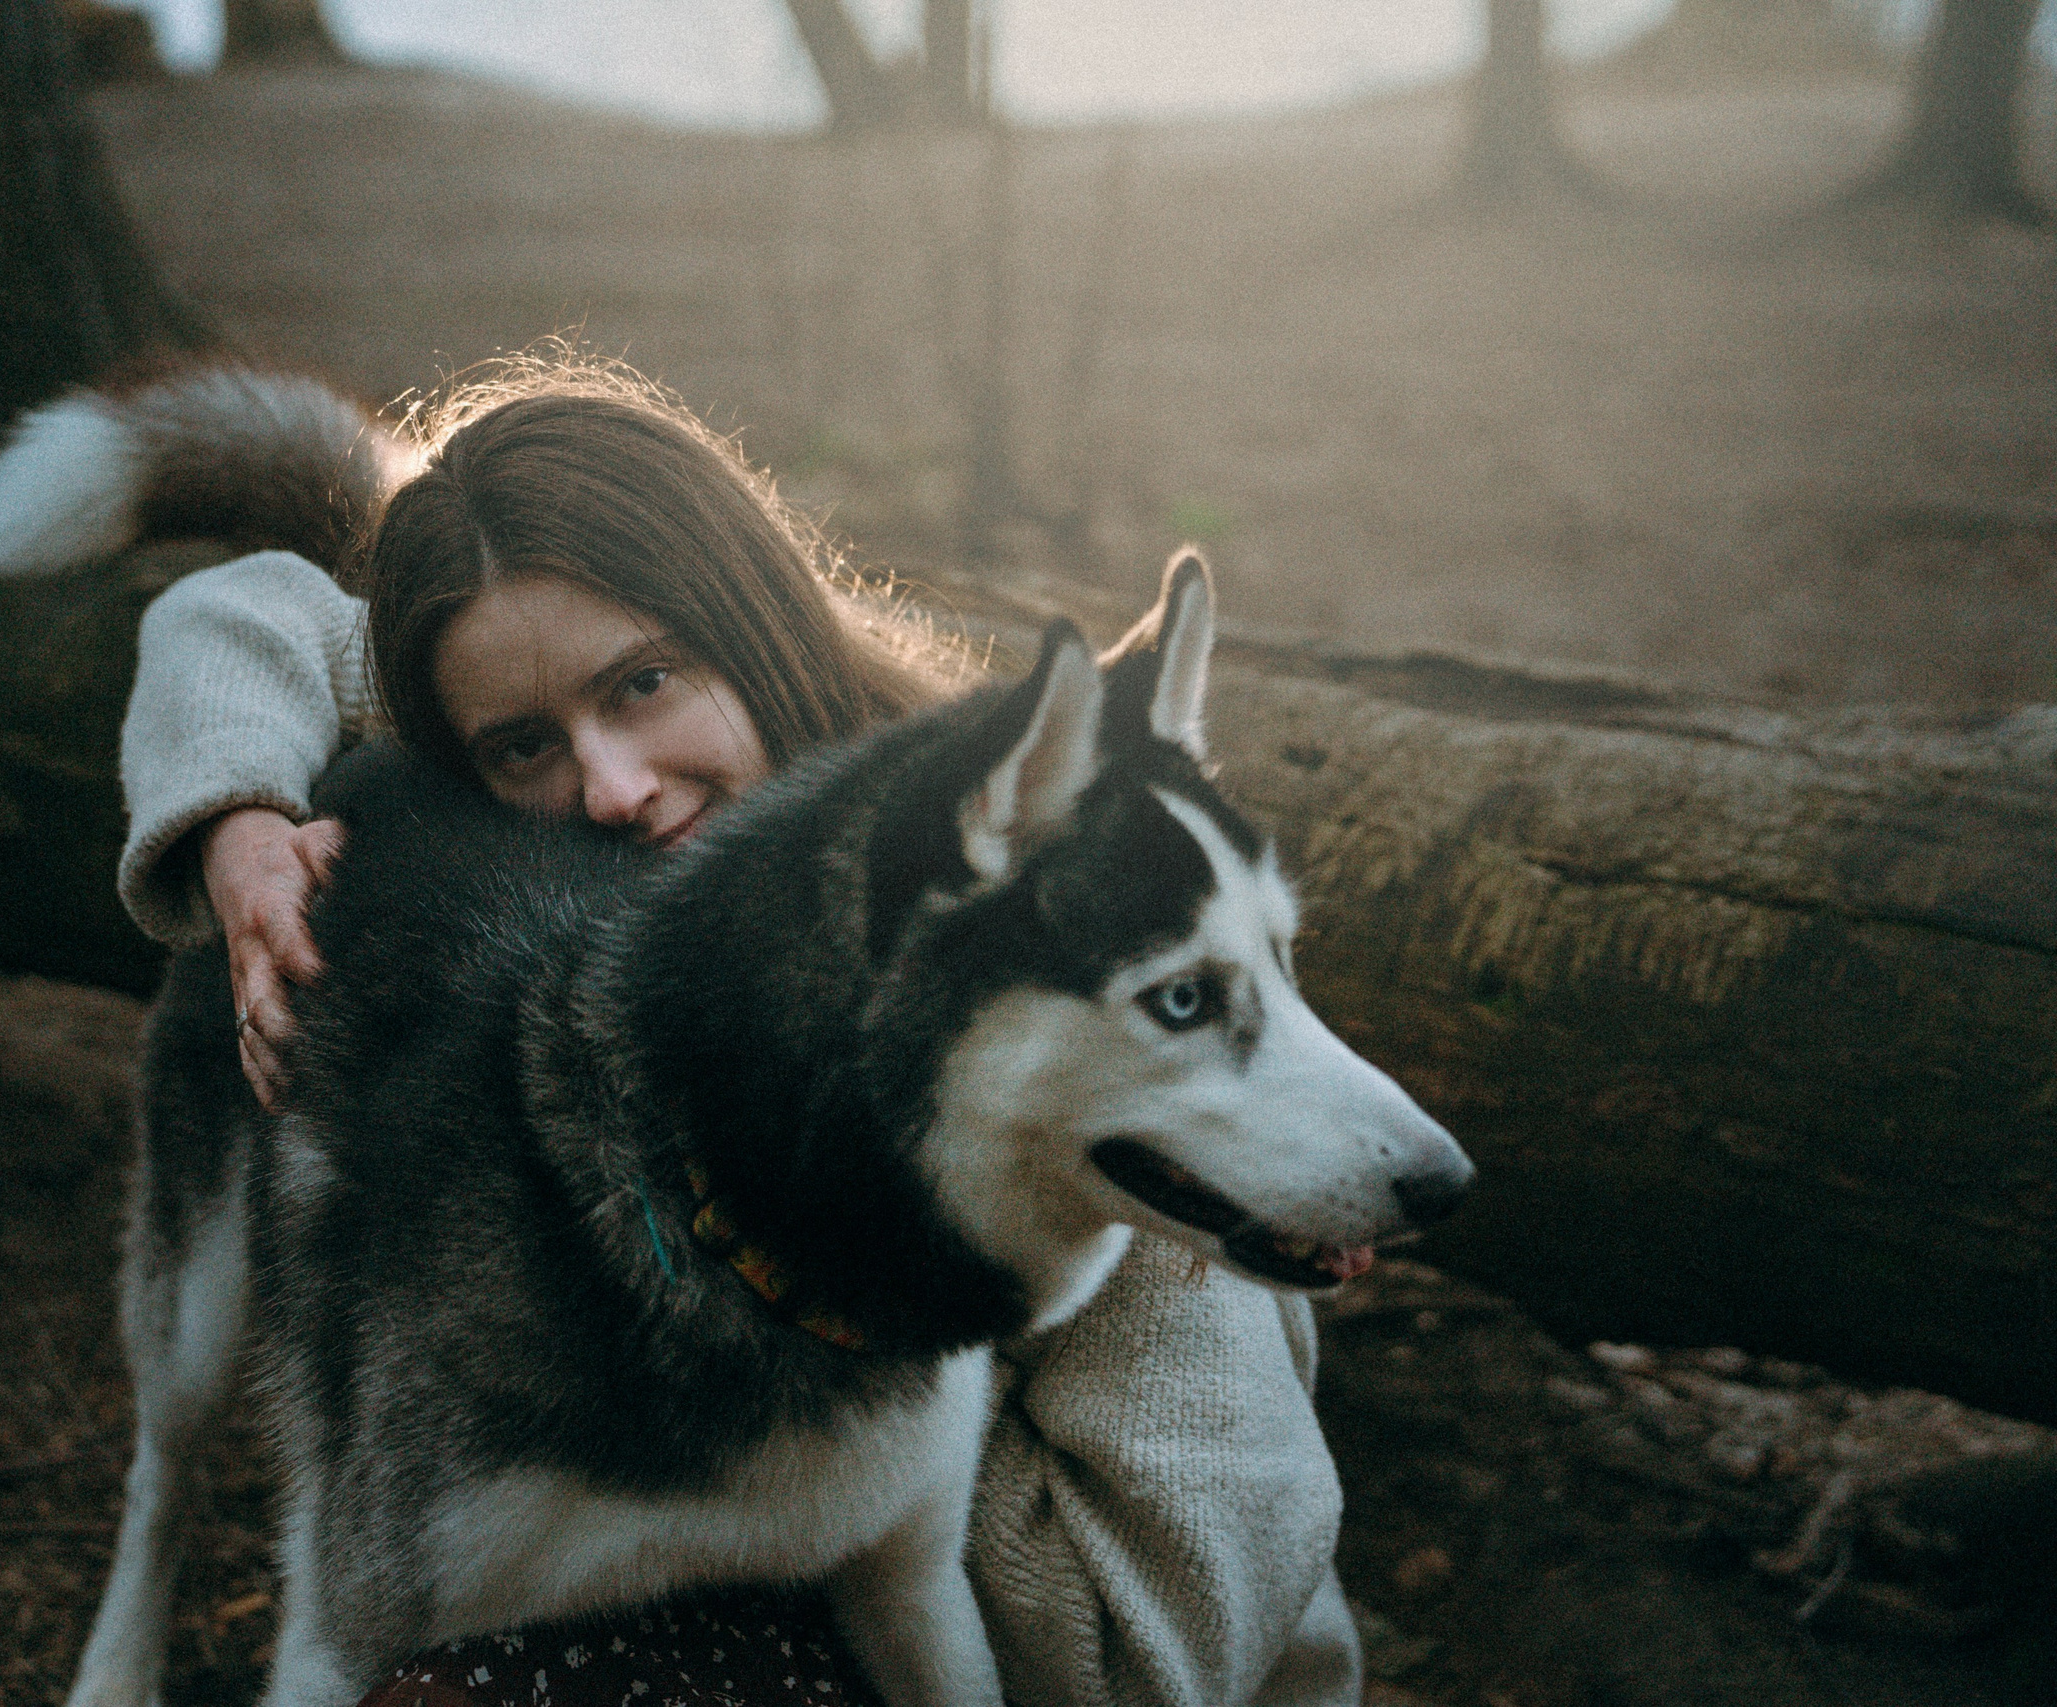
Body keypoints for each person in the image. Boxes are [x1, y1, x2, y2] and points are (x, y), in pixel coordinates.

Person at [113, 353, 1365, 1707]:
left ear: (756, 625)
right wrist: (239, 820)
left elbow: (1134, 1658)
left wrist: (840, 1403)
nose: (612, 788)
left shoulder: (1068, 967)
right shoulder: (616, 858)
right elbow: (242, 613)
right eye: (524, 747)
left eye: (644, 684)